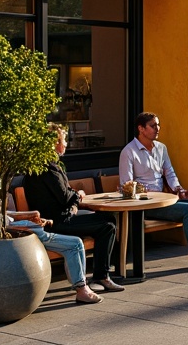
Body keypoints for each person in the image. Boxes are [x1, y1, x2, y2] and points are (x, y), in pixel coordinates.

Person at [0, 170, 103, 304]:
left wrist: (28, 217)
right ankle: (81, 289)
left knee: (74, 243)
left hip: (21, 228)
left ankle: (81, 287)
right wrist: (20, 225)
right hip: (16, 233)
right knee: (75, 244)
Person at [119, 112, 188, 272]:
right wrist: (143, 192)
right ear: (141, 129)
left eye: (158, 125)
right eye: (153, 126)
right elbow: (126, 185)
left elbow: (169, 173)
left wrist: (180, 190)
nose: (157, 129)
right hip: (147, 205)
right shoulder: (129, 152)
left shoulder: (161, 148)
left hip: (165, 201)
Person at [22, 125, 124, 293]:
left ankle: (101, 276)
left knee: (107, 221)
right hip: (56, 222)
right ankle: (101, 276)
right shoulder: (49, 168)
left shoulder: (44, 166)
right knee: (107, 224)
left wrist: (74, 198)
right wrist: (77, 196)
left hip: (56, 218)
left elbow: (66, 193)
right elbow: (65, 197)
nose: (66, 145)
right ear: (54, 143)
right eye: (64, 141)